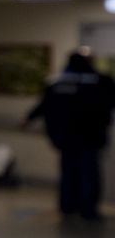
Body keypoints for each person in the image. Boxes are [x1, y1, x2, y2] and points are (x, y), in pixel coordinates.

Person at [22, 50, 115, 221]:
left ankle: (68, 207)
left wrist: (27, 120)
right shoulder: (101, 82)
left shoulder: (57, 83)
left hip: (64, 138)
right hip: (90, 138)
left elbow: (43, 106)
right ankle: (88, 210)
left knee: (68, 173)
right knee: (89, 175)